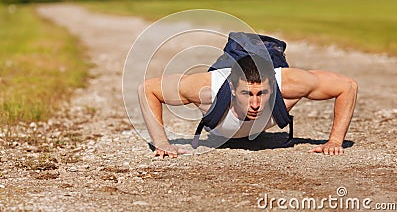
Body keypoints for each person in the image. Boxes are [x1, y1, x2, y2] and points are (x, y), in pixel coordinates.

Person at [138, 54, 358, 158]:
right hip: (219, 123)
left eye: (262, 93)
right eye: (247, 94)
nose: (255, 104)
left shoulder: (290, 85)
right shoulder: (207, 89)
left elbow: (347, 86)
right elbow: (147, 89)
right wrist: (162, 143)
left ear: (273, 87)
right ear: (233, 90)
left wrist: (335, 140)